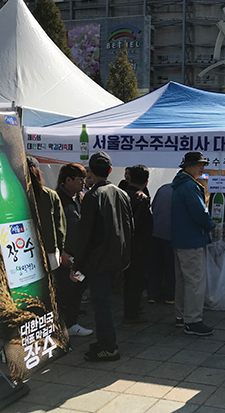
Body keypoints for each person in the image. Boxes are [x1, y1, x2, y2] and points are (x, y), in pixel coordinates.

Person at [73, 152, 133, 362]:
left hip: (97, 260)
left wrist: (77, 263)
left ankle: (108, 346)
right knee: (104, 303)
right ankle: (104, 342)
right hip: (118, 259)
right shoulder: (121, 193)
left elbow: (85, 234)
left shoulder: (92, 196)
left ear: (90, 171)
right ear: (109, 170)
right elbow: (129, 228)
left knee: (101, 305)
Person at [171, 151, 216, 336]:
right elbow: (200, 213)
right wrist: (211, 225)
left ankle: (181, 316)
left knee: (182, 281)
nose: (202, 168)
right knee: (195, 282)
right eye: (200, 165)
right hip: (192, 240)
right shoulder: (190, 186)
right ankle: (193, 320)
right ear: (189, 166)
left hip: (180, 239)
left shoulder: (179, 184)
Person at [56, 163, 92, 337]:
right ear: (68, 180)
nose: (83, 182)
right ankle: (64, 324)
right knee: (65, 290)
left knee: (78, 286)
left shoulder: (80, 197)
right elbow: (53, 228)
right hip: (64, 255)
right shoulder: (58, 199)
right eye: (80, 179)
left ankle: (71, 322)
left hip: (78, 255)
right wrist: (60, 252)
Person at [121, 165, 153, 325]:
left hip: (123, 245)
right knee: (136, 280)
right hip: (138, 246)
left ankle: (131, 309)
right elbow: (139, 224)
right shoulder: (141, 198)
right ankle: (131, 313)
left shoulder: (121, 194)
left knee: (128, 280)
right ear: (146, 181)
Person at [148, 183, 175, 304]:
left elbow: (153, 207)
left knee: (154, 266)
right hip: (172, 234)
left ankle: (153, 294)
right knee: (170, 266)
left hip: (155, 231)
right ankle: (170, 296)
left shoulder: (163, 188)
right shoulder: (185, 191)